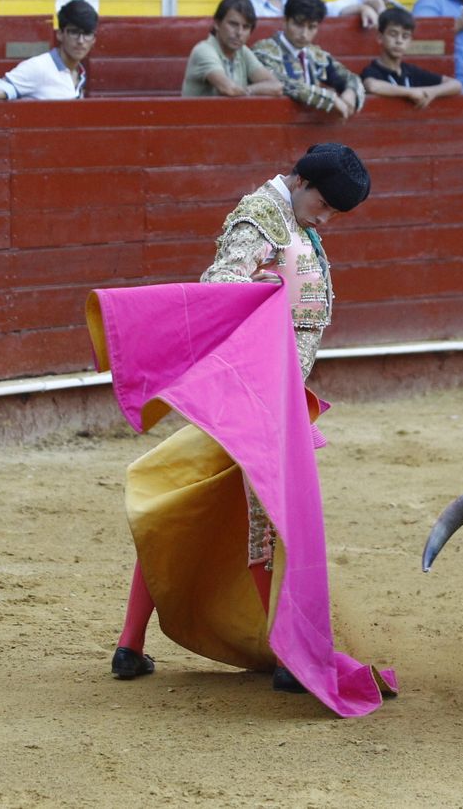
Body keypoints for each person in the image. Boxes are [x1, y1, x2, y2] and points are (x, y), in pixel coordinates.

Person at [108, 143, 372, 692]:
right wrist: (264, 288)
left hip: (270, 393)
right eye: (322, 204)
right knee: (267, 516)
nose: (325, 219)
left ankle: (130, 645)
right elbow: (218, 287)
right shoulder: (261, 217)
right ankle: (285, 654)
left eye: (334, 214)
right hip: (254, 398)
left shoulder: (294, 220)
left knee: (186, 510)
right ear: (298, 180)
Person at [252, 0, 366, 117]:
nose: (304, 34)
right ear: (285, 21)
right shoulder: (264, 52)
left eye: (312, 27)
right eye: (298, 25)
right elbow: (284, 84)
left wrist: (350, 91)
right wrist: (330, 100)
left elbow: (351, 78)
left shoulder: (316, 55)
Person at [361, 6, 463, 108]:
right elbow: (372, 86)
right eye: (393, 34)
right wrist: (411, 92)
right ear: (380, 38)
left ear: (410, 42)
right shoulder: (372, 70)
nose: (399, 41)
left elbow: (456, 85)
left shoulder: (411, 71)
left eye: (405, 36)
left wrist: (431, 92)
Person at [182, 0, 284, 96]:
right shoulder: (204, 50)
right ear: (217, 24)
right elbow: (228, 89)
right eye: (233, 24)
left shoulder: (243, 51)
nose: (239, 32)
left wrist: (246, 90)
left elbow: (277, 86)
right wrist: (251, 91)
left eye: (246, 27)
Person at [4, 0, 97, 99]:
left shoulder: (80, 73)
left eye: (87, 34)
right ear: (60, 34)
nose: (81, 41)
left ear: (94, 39)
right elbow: (1, 88)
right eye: (74, 32)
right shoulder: (38, 67)